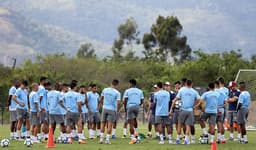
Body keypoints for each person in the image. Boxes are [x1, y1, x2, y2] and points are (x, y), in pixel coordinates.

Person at [170, 79, 200, 145]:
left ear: (186, 84)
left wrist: (171, 109)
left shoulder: (182, 90)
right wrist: (195, 106)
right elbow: (199, 100)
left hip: (182, 110)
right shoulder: (194, 91)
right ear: (192, 84)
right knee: (188, 126)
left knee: (179, 124)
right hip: (190, 111)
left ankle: (177, 140)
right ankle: (186, 140)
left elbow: (176, 99)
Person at [99, 79, 121, 144]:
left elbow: (101, 99)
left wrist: (104, 105)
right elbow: (119, 103)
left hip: (104, 108)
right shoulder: (117, 92)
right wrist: (117, 110)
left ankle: (101, 139)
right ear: (117, 85)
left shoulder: (105, 90)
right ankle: (107, 140)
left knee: (102, 123)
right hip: (112, 109)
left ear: (111, 83)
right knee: (110, 125)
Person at [123, 79, 144, 144]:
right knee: (135, 120)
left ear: (131, 84)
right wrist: (138, 105)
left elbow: (125, 101)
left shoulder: (127, 91)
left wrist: (125, 109)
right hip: (137, 107)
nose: (128, 85)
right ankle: (136, 135)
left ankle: (133, 139)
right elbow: (142, 101)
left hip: (130, 106)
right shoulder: (140, 91)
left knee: (131, 123)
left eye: (129, 84)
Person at [37, 77, 49, 141]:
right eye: (45, 81)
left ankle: (40, 136)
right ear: (42, 81)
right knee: (45, 122)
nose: (46, 82)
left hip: (43, 108)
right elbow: (40, 97)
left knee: (41, 122)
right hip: (43, 108)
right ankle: (45, 136)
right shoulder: (42, 88)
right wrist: (40, 107)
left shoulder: (39, 87)